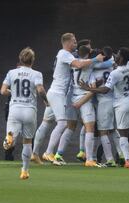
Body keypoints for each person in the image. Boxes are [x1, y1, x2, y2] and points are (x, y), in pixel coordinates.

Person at [79, 47, 129, 169]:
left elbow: (106, 89)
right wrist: (110, 52)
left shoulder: (115, 73)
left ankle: (128, 161)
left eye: (118, 54)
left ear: (122, 57)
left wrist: (89, 89)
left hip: (121, 104)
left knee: (123, 134)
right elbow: (120, 58)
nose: (116, 56)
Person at [41, 33, 104, 163]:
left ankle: (56, 153)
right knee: (86, 127)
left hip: (67, 95)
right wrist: (97, 58)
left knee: (68, 126)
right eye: (74, 41)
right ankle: (89, 158)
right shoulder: (85, 63)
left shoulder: (71, 57)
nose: (76, 44)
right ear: (68, 43)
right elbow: (105, 62)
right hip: (68, 95)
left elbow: (78, 60)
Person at [0, 47, 48, 180]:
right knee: (27, 142)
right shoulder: (37, 74)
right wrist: (46, 101)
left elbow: (3, 91)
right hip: (29, 110)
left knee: (10, 137)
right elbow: (40, 90)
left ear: (20, 59)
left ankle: (10, 139)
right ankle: (25, 171)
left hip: (15, 109)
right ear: (32, 60)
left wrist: (13, 92)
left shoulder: (11, 73)